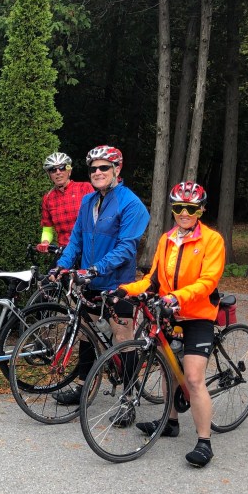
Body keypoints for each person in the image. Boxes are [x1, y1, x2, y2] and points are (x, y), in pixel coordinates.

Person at [114, 181, 225, 468]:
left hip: (197, 315)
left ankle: (204, 442)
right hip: (169, 313)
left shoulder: (212, 240)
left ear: (201, 210)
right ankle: (170, 422)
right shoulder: (166, 239)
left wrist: (177, 297)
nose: (184, 213)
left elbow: (208, 281)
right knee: (169, 370)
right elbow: (153, 281)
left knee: (193, 378)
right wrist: (124, 290)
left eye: (190, 208)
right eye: (179, 207)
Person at [52, 145, 150, 405]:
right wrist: (61, 266)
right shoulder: (88, 201)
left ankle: (129, 399)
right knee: (87, 333)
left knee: (123, 337)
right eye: (93, 168)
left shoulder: (131, 204)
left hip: (118, 283)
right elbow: (76, 240)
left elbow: (126, 248)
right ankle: (84, 388)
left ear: (117, 169)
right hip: (90, 281)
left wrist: (96, 268)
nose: (97, 172)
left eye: (104, 167)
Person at [37, 151, 94, 251]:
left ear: (69, 171)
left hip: (88, 247)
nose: (58, 172)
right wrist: (45, 242)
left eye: (62, 168)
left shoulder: (84, 188)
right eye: (53, 170)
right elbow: (47, 228)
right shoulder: (48, 198)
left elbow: (99, 218)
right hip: (65, 250)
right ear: (49, 175)